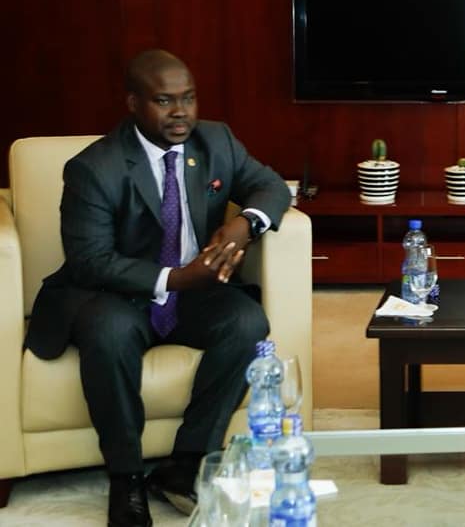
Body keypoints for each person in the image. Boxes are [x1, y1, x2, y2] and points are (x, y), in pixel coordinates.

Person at [24, 49, 291, 527]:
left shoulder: (216, 140)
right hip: (114, 294)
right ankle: (126, 478)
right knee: (108, 332)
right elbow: (90, 261)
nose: (180, 112)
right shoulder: (94, 167)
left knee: (247, 322)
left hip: (192, 294)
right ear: (133, 103)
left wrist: (244, 225)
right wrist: (177, 278)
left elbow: (272, 187)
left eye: (188, 98)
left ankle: (186, 463)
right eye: (164, 101)